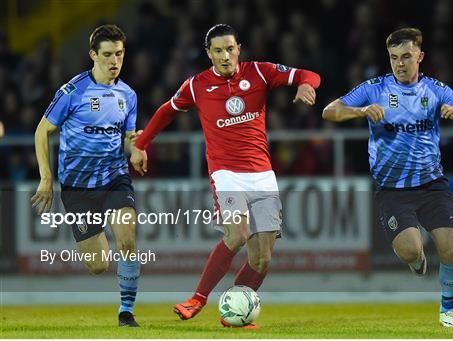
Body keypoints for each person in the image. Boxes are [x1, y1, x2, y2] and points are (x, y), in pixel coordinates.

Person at [131, 24, 320, 328]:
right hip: (226, 172)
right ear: (208, 53)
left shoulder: (259, 72)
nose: (225, 55)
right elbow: (167, 110)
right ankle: (198, 298)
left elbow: (308, 74)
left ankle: (234, 312)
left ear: (238, 49)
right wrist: (141, 145)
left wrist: (305, 86)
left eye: (229, 49)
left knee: (262, 259)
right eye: (217, 50)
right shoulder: (196, 85)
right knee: (237, 235)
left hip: (262, 175)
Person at [322, 27, 453, 328]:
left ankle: (447, 312)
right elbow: (330, 111)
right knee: (412, 250)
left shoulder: (436, 90)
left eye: (407, 56)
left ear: (420, 57)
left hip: (432, 184)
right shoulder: (375, 89)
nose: (400, 63)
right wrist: (361, 112)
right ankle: (415, 260)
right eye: (394, 57)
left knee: (450, 245)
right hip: (392, 190)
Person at [31, 25, 141, 327]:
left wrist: (135, 147)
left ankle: (126, 312)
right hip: (77, 187)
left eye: (119, 54)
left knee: (128, 239)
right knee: (98, 264)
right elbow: (43, 130)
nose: (114, 61)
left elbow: (126, 137)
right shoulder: (73, 91)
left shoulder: (128, 95)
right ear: (93, 55)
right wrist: (46, 178)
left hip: (114, 177)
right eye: (107, 55)